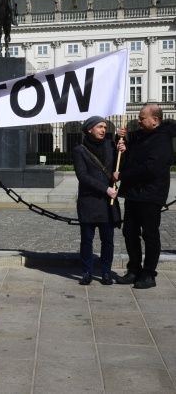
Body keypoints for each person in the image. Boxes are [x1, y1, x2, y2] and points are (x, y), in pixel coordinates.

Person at [113, 104, 176, 289]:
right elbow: (129, 158)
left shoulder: (162, 140)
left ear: (155, 120)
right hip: (134, 194)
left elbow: (151, 168)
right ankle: (134, 270)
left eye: (142, 118)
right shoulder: (139, 136)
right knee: (130, 232)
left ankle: (149, 274)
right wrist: (121, 143)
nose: (138, 121)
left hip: (150, 194)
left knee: (150, 234)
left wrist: (123, 176)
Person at [72, 116, 121, 285]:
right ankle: (87, 272)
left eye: (104, 127)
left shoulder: (110, 145)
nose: (103, 130)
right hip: (89, 201)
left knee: (108, 240)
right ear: (89, 129)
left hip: (108, 203)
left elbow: (118, 166)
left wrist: (123, 148)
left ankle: (106, 272)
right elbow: (83, 176)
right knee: (87, 240)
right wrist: (105, 188)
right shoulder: (80, 150)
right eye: (99, 126)